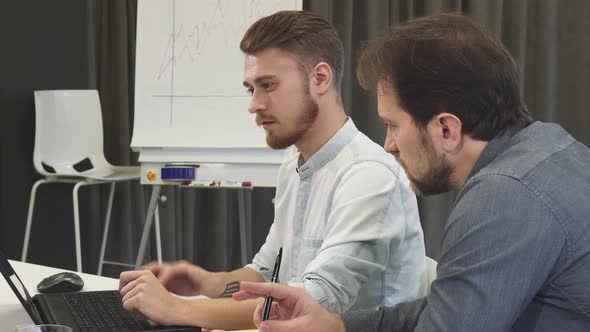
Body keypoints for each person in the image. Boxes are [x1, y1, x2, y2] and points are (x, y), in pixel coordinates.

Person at [231, 13, 590, 332]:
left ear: (446, 129)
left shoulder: (503, 197)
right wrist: (337, 324)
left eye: (393, 125)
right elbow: (447, 307)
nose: (389, 144)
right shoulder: (548, 145)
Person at [118, 10, 427, 330]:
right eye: (251, 89)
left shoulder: (370, 176)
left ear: (320, 78)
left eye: (268, 85)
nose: (254, 104)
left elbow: (307, 304)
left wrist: (178, 309)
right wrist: (209, 284)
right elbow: (266, 272)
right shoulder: (294, 165)